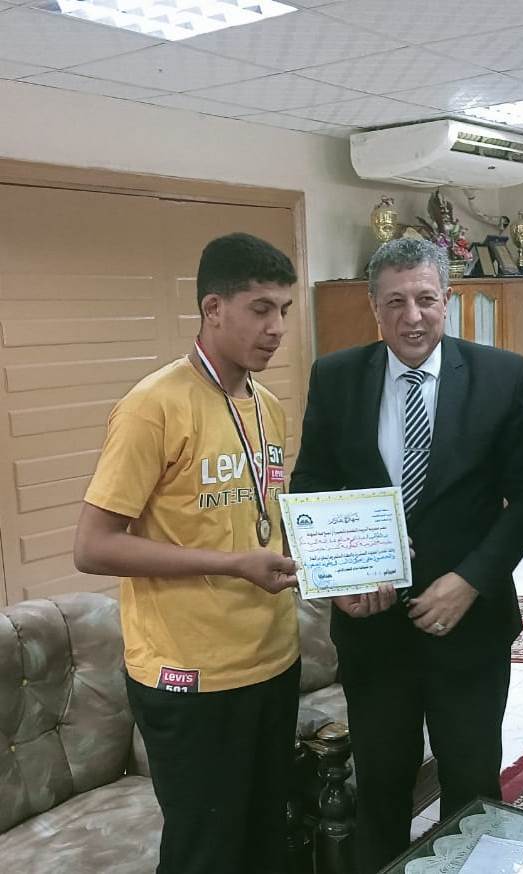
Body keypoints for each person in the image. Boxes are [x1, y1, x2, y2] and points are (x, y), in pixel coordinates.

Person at [290, 237, 523, 874]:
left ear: (447, 300)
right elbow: (311, 487)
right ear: (373, 307)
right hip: (372, 630)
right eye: (396, 302)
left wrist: (471, 580)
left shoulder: (501, 375)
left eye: (427, 300)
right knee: (381, 788)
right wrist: (341, 580)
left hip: (469, 624)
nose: (413, 317)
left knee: (472, 786)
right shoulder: (336, 376)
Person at [73, 232, 301, 874]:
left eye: (284, 310)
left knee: (267, 839)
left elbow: (263, 519)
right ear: (213, 309)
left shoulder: (269, 407)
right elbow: (93, 546)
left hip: (273, 660)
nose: (277, 328)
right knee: (206, 853)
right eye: (261, 308)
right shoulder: (153, 406)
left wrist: (352, 553)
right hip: (191, 675)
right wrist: (231, 565)